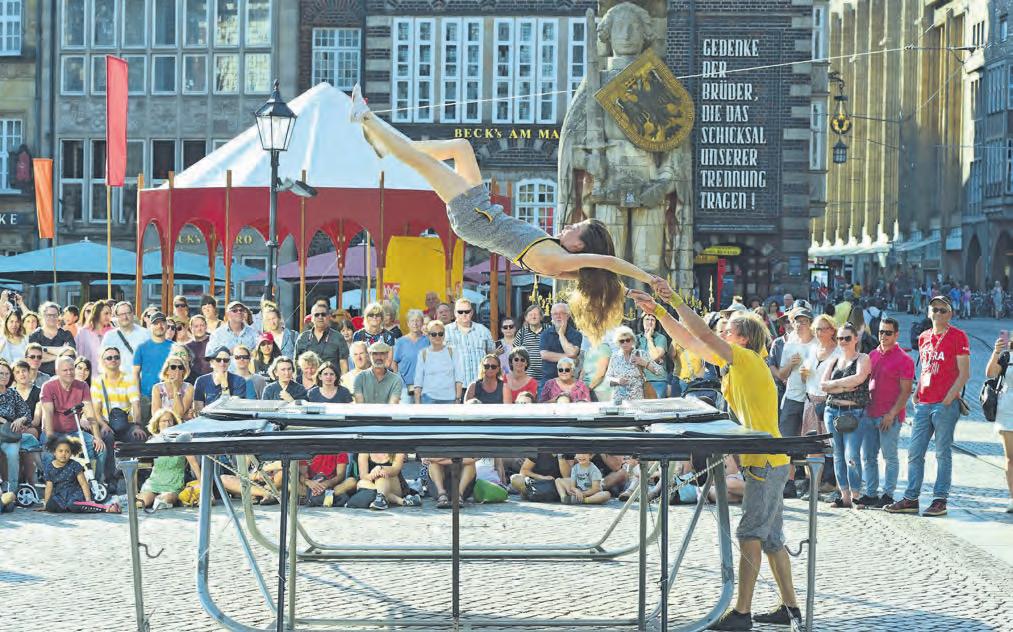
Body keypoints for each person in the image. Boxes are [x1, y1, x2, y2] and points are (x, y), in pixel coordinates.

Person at [351, 86, 658, 342]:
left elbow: (607, 262)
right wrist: (630, 292)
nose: (568, 226)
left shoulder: (559, 260)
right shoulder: (567, 265)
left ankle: (369, 122)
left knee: (424, 164)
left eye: (575, 228)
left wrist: (649, 279)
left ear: (580, 245)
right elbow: (600, 276)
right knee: (461, 147)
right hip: (483, 209)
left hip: (474, 218)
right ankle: (390, 146)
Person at [628, 283, 800, 630]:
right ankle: (790, 609)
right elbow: (691, 341)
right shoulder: (736, 362)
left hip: (766, 462)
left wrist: (674, 300)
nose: (722, 333)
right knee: (771, 540)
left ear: (743, 339)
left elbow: (703, 334)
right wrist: (659, 312)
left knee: (749, 534)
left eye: (728, 330)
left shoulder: (746, 359)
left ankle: (742, 613)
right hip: (769, 461)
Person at [885, 295, 970, 517]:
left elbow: (964, 373)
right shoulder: (924, 337)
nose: (938, 313)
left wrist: (949, 398)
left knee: (942, 453)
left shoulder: (958, 336)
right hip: (923, 402)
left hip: (945, 404)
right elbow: (925, 368)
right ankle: (911, 498)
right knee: (914, 452)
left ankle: (940, 499)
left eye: (943, 310)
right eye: (935, 309)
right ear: (928, 312)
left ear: (950, 313)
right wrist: (916, 392)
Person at [857, 317, 914, 509]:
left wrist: (892, 414)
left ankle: (888, 495)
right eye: (881, 332)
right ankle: (871, 493)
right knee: (868, 457)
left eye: (888, 332)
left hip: (889, 416)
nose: (883, 336)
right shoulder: (872, 355)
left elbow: (906, 391)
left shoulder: (904, 359)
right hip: (869, 414)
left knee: (889, 456)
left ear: (896, 335)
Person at [819, 324, 871, 509]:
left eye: (847, 338)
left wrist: (834, 385)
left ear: (855, 339)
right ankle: (844, 496)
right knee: (838, 455)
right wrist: (842, 387)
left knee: (852, 455)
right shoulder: (834, 360)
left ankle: (856, 495)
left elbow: (858, 378)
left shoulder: (863, 358)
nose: (843, 342)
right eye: (840, 338)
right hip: (832, 411)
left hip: (854, 412)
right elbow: (823, 385)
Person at [39, 357, 113, 478]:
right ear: (57, 371)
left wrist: (97, 437)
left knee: (100, 448)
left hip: (74, 432)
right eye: (65, 370)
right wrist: (52, 440)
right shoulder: (48, 386)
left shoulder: (82, 386)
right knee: (49, 453)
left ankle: (96, 483)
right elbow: (48, 414)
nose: (69, 372)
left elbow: (90, 414)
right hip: (53, 432)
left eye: (71, 369)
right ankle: (51, 483)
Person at [772, 308, 817, 497]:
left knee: (811, 443)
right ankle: (788, 483)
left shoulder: (817, 344)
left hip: (812, 398)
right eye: (797, 321)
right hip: (792, 397)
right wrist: (790, 364)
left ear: (811, 324)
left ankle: (811, 482)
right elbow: (782, 375)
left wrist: (810, 375)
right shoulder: (790, 344)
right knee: (786, 441)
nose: (799, 325)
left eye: (804, 321)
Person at [136, 410, 200, 510]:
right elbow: (138, 465)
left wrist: (204, 487)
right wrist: (134, 490)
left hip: (173, 485)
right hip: (154, 483)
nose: (168, 424)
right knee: (142, 503)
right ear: (157, 425)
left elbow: (194, 464)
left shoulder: (181, 441)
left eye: (170, 421)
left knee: (162, 502)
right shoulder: (153, 442)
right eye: (164, 421)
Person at [39, 436, 120, 514]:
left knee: (73, 505)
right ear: (54, 452)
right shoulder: (49, 467)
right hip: (61, 496)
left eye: (67, 451)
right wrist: (46, 504)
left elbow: (83, 484)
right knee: (50, 506)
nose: (64, 454)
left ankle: (107, 508)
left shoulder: (74, 465)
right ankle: (71, 507)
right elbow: (49, 487)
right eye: (60, 451)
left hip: (76, 494)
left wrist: (88, 500)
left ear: (71, 453)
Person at [0, 360, 40, 494]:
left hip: (9, 434)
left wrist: (20, 419)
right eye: (1, 373)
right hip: (4, 429)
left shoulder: (12, 393)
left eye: (6, 374)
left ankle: (12, 490)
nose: (4, 376)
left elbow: (26, 413)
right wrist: (3, 420)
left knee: (12, 455)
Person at [985, 330, 1013, 512]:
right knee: (1011, 458)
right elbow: (990, 373)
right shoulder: (1007, 356)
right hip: (1008, 412)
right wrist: (996, 352)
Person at [133, 311, 173, 424]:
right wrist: (137, 396)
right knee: (145, 429)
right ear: (150, 326)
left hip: (168, 396)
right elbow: (135, 373)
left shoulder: (175, 347)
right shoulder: (141, 348)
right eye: (156, 323)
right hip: (146, 397)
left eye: (162, 323)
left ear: (166, 325)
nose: (159, 326)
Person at [606, 326, 662, 401]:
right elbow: (608, 377)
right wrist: (617, 380)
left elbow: (659, 371)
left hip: (637, 399)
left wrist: (644, 363)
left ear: (632, 340)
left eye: (627, 340)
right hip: (619, 399)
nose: (625, 343)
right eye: (622, 341)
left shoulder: (641, 354)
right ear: (618, 343)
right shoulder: (615, 357)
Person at [443, 298, 493, 383]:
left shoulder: (483, 331)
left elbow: (492, 355)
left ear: (472, 312)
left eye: (467, 311)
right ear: (455, 313)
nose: (464, 314)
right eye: (460, 312)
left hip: (481, 384)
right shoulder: (445, 332)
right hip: (455, 385)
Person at [296, 303, 350, 380]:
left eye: (323, 314)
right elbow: (296, 364)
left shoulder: (338, 338)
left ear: (328, 317)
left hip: (331, 382)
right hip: (307, 383)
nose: (320, 317)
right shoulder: (302, 338)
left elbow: (344, 366)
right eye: (316, 315)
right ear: (311, 318)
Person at [539, 303, 582, 390]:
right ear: (551, 316)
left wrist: (561, 334)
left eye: (562, 313)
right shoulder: (545, 334)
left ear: (568, 316)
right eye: (555, 314)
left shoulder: (576, 334)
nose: (558, 316)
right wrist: (570, 358)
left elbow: (572, 353)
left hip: (569, 380)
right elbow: (544, 355)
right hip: (548, 380)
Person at [193, 346, 247, 415]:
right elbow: (198, 410)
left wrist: (224, 383)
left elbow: (233, 408)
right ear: (211, 363)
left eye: (226, 360)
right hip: (207, 418)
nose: (222, 363)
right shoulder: (201, 381)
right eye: (218, 360)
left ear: (229, 363)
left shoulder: (239, 380)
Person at [355, 452, 420, 509]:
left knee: (381, 476)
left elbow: (395, 470)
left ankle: (381, 499)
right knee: (361, 483)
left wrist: (381, 468)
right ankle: (400, 501)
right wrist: (374, 474)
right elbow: (363, 476)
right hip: (372, 483)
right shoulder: (365, 452)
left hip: (393, 484)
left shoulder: (397, 451)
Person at [100, 301, 150, 373]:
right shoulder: (109, 336)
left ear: (132, 314)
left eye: (127, 313)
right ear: (116, 316)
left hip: (139, 377)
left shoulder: (145, 334)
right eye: (121, 314)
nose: (125, 317)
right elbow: (102, 361)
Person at [207, 301, 258, 370]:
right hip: (226, 373)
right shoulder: (217, 334)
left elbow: (260, 354)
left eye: (241, 310)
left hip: (247, 374)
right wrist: (227, 352)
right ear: (228, 314)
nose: (239, 312)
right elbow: (209, 355)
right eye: (235, 310)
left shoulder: (253, 333)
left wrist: (248, 353)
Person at [30, 302, 77, 376]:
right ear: (43, 316)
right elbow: (35, 357)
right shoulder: (35, 335)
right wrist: (61, 355)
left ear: (58, 316)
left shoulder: (66, 334)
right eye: (49, 315)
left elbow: (70, 353)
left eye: (55, 315)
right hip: (41, 377)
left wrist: (44, 349)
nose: (52, 317)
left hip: (62, 376)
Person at [392, 309, 429, 402]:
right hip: (405, 388)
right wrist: (398, 379)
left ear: (422, 323)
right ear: (408, 323)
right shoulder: (400, 342)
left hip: (425, 387)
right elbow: (394, 362)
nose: (415, 324)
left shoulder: (428, 341)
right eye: (412, 321)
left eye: (418, 320)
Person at [151, 352, 195, 420]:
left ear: (183, 371)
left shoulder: (189, 387)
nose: (177, 369)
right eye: (173, 367)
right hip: (163, 424)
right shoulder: (157, 388)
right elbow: (156, 415)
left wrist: (176, 388)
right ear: (166, 371)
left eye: (180, 367)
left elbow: (178, 414)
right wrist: (184, 416)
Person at [637, 312, 669, 398]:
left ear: (656, 323)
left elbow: (655, 356)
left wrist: (649, 338)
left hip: (657, 380)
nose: (650, 322)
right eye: (647, 319)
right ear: (642, 322)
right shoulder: (636, 338)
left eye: (653, 320)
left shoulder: (661, 338)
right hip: (640, 381)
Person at [74, 301, 113, 369]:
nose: (109, 316)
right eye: (106, 313)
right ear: (97, 314)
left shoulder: (113, 333)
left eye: (110, 313)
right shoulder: (83, 333)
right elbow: (79, 357)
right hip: (88, 372)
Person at [515, 304, 546, 382]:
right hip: (526, 378)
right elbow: (514, 354)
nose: (533, 317)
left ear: (541, 317)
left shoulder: (549, 330)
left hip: (546, 377)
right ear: (526, 318)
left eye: (536, 314)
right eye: (530, 315)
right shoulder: (522, 332)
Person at [582, 336, 614, 402]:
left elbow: (601, 374)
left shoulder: (603, 348)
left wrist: (588, 388)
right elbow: (583, 372)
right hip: (588, 391)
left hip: (600, 391)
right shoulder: (589, 350)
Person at [185, 314, 211, 385]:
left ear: (206, 326)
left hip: (212, 381)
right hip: (193, 383)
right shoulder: (186, 347)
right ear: (191, 328)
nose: (199, 329)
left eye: (202, 325)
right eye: (196, 326)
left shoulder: (214, 341)